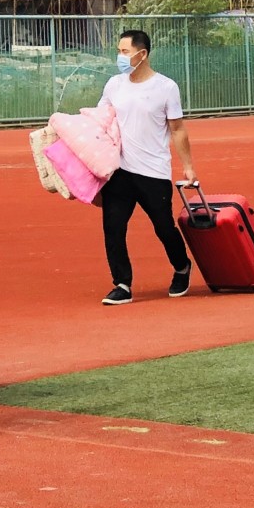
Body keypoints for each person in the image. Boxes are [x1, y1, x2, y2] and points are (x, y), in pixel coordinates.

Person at [98, 29, 196, 306]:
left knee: (164, 227)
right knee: (113, 228)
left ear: (142, 54)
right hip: (120, 172)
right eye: (118, 51)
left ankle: (181, 267)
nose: (119, 56)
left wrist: (188, 167)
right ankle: (122, 283)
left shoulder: (166, 87)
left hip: (153, 171)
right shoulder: (114, 85)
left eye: (124, 52)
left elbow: (177, 130)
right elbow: (100, 120)